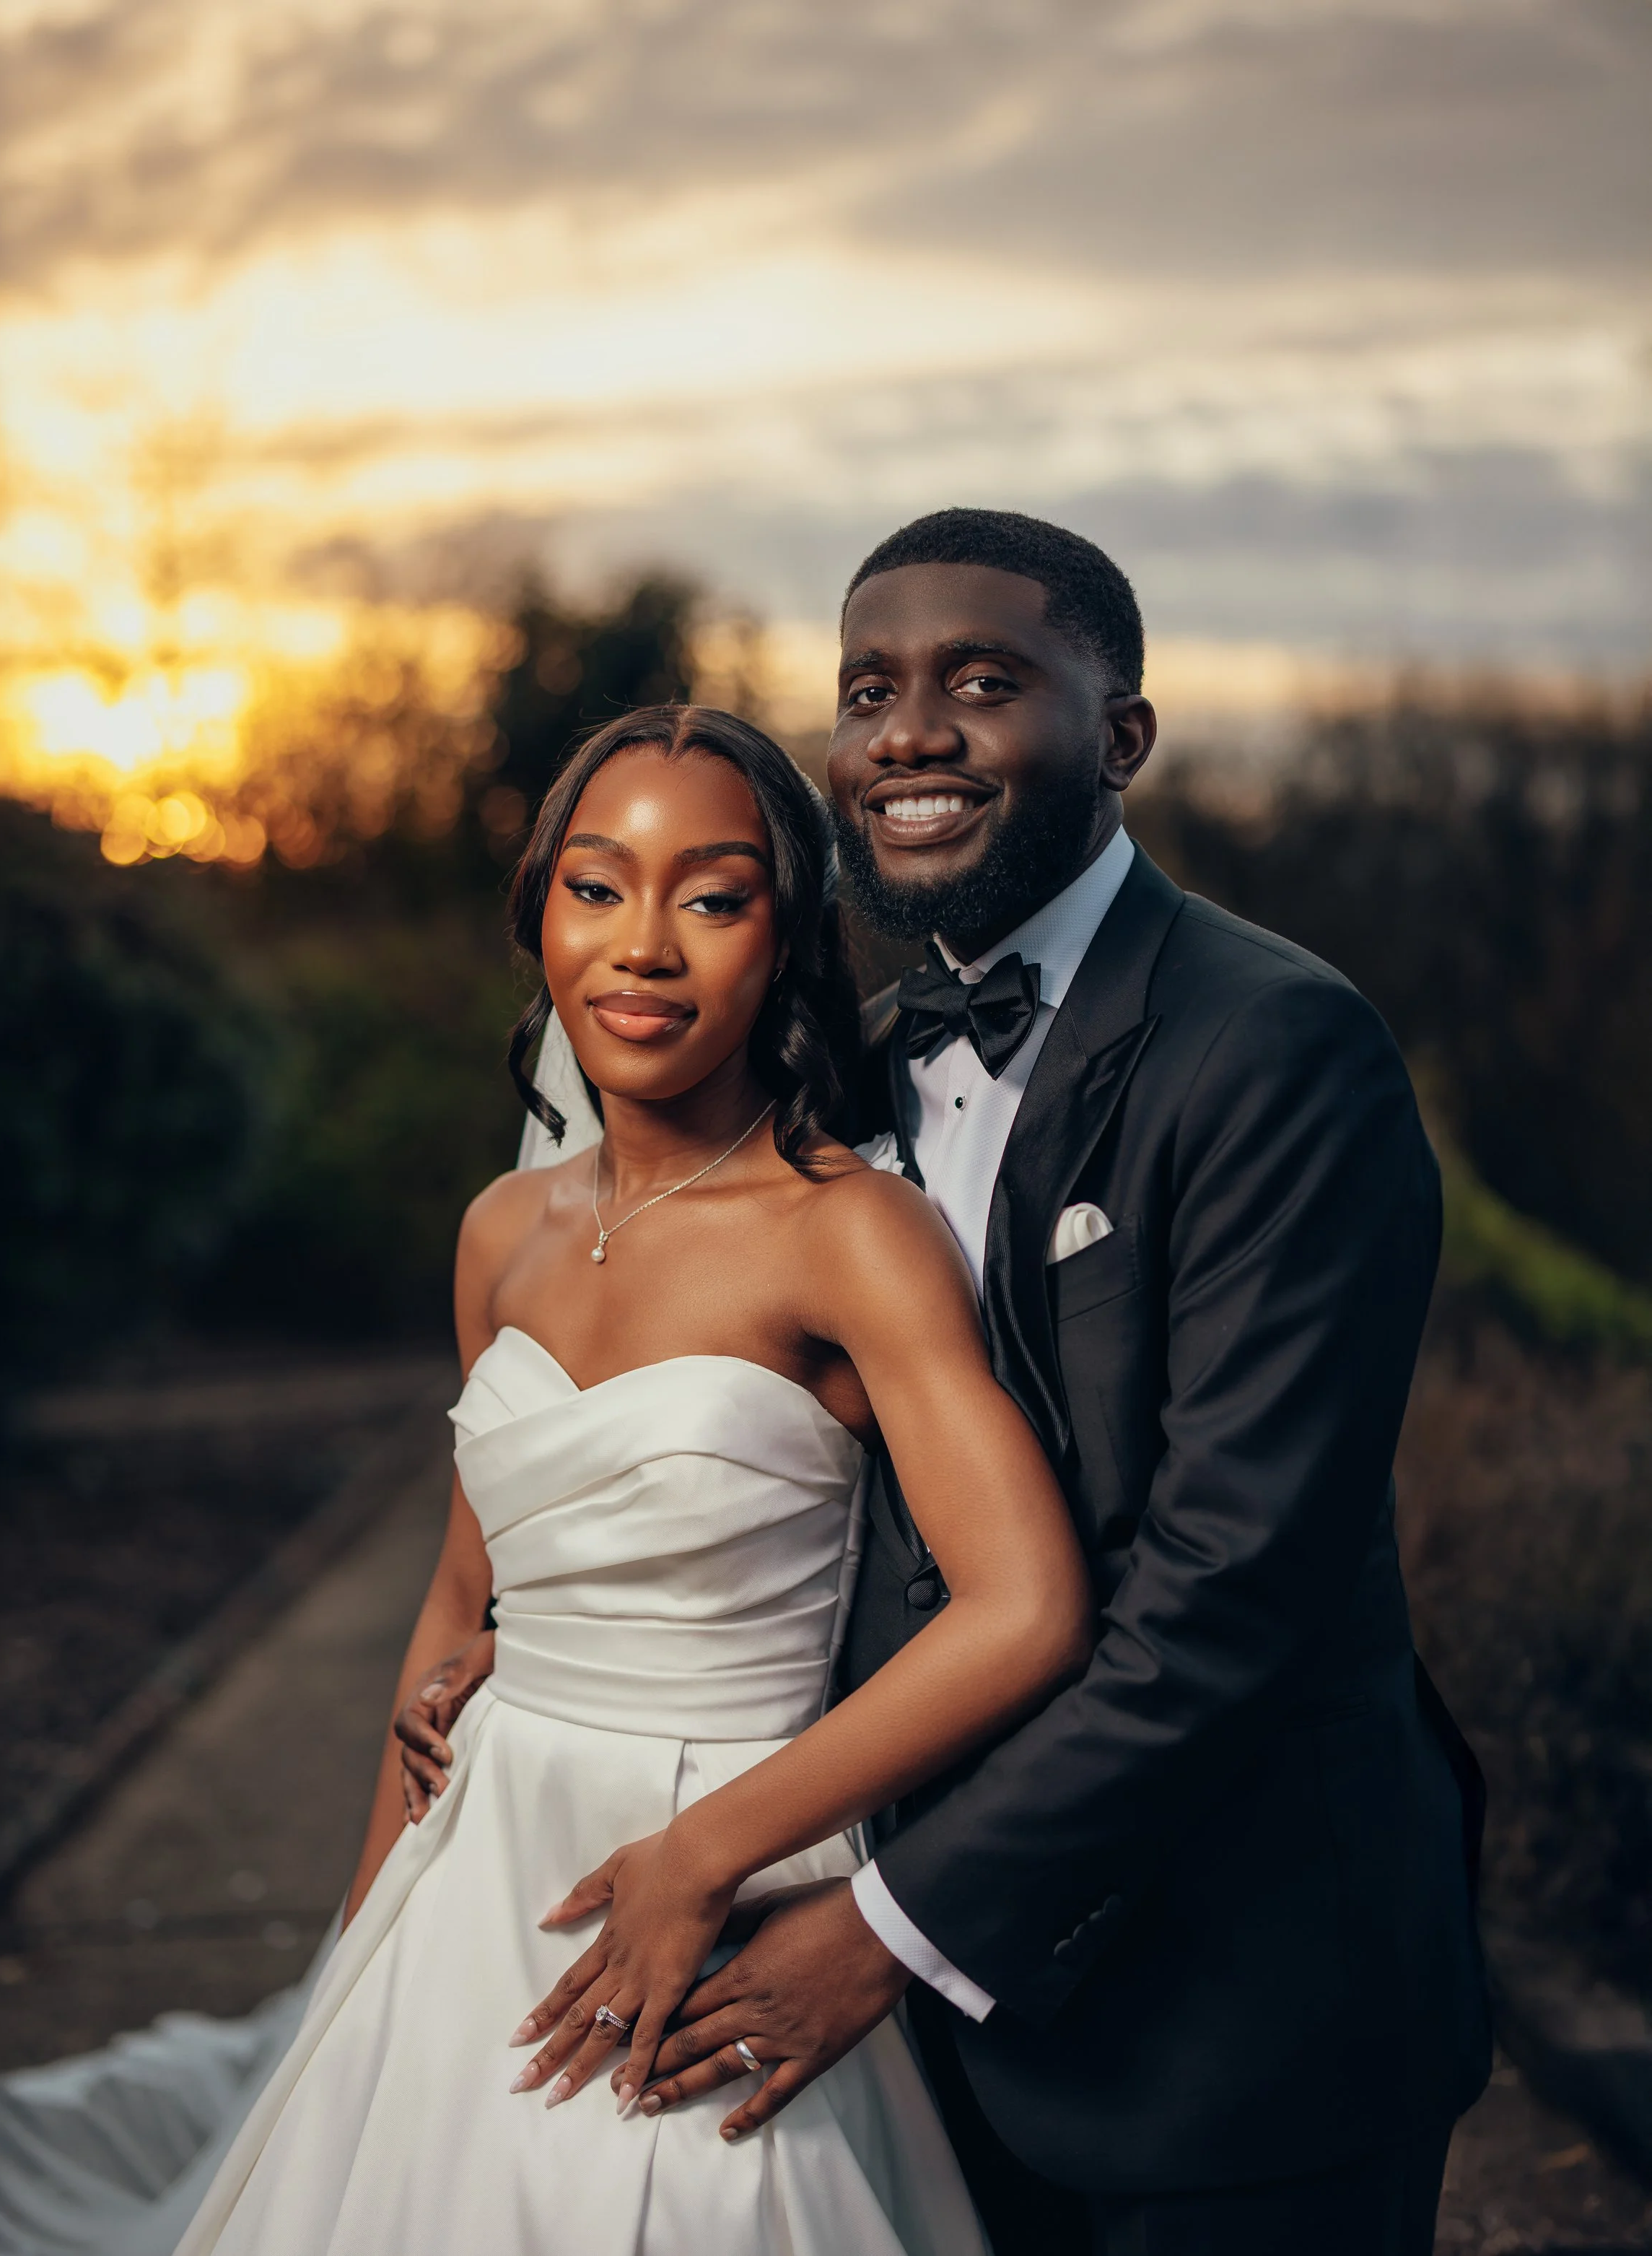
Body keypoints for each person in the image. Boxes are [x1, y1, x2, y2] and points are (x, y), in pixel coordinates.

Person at [406, 511, 1492, 2256]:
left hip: (1233, 2002)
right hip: (932, 2044)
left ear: (1119, 736)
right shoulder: (857, 1061)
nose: (908, 730)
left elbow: (1233, 1592)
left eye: (982, 683)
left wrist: (887, 1922)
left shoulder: (1274, 1048)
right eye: (868, 689)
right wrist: (542, 1624)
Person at [174, 702, 1096, 2254]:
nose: (643, 946)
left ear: (784, 933)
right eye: (596, 887)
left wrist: (707, 1849)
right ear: (539, 914)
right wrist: (361, 1934)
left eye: (712, 896)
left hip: (719, 1855)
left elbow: (1026, 1608)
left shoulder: (845, 1231)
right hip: (474, 1866)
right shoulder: (498, 1230)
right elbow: (465, 1589)